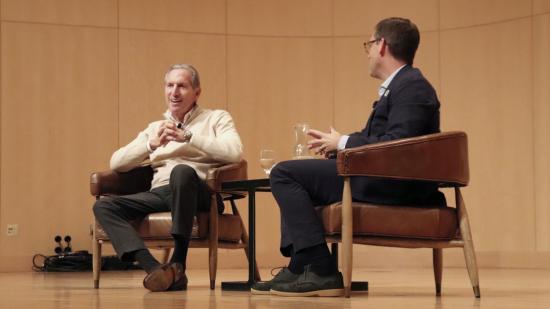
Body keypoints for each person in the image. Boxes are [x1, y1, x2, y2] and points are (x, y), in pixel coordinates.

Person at [252, 17, 445, 297]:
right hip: (380, 177)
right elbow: (386, 139)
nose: (367, 53)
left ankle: (319, 266)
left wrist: (343, 142)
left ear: (381, 46)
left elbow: (398, 145)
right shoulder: (403, 85)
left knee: (285, 173)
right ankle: (300, 266)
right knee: (300, 174)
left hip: (394, 184)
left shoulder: (413, 86)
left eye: (369, 45)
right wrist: (339, 145)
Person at [93, 64, 243, 292]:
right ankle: (154, 268)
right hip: (161, 192)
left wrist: (189, 136)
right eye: (169, 85)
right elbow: (117, 162)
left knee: (181, 172)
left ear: (197, 92)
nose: (174, 92)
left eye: (182, 86)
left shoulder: (216, 118)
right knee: (104, 206)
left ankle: (178, 261)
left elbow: (234, 152)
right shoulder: (155, 128)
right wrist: (150, 144)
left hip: (201, 191)